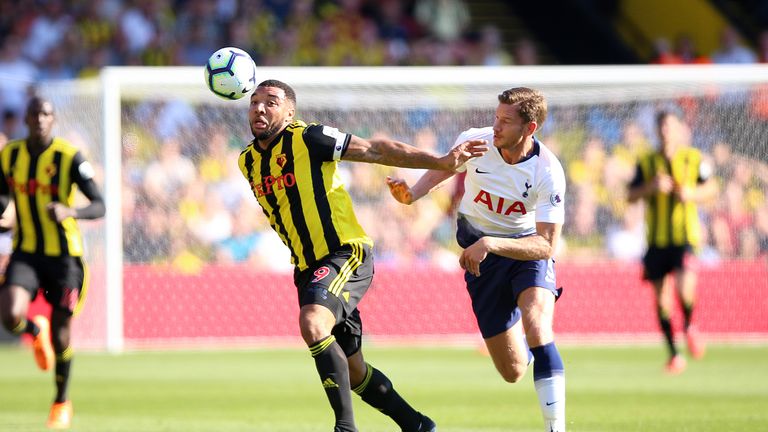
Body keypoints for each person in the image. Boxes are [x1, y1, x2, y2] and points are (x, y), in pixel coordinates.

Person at [238, 79, 487, 432]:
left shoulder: (307, 138)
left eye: (271, 102)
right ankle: (417, 424)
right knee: (354, 373)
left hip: (345, 252)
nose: (260, 108)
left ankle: (345, 427)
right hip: (308, 267)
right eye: (254, 102)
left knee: (313, 322)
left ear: (290, 111)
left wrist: (441, 161)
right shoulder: (247, 161)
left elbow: (375, 149)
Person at [387, 87, 567, 432]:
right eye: (495, 117)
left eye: (505, 121)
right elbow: (446, 168)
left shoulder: (548, 171)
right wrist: (412, 194)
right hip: (478, 257)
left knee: (538, 325)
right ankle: (529, 349)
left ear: (529, 129)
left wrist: (492, 242)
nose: (495, 127)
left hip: (523, 251)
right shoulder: (476, 141)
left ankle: (556, 427)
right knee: (513, 371)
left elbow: (546, 246)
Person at [0, 95, 106, 429]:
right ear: (26, 120)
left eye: (47, 114)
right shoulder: (10, 155)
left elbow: (100, 204)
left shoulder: (69, 157)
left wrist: (70, 211)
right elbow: (2, 191)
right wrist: (4, 210)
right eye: (35, 114)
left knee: (62, 334)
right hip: (27, 251)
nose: (41, 119)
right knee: (9, 314)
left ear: (53, 119)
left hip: (65, 257)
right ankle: (34, 330)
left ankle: (61, 401)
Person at [627, 109, 716, 374]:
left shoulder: (695, 158)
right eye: (662, 126)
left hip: (685, 237)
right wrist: (650, 188)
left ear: (679, 129)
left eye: (670, 126)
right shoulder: (646, 163)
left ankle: (690, 325)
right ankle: (675, 354)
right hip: (656, 240)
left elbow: (712, 188)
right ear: (657, 130)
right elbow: (630, 195)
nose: (666, 131)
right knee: (662, 300)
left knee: (684, 289)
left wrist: (691, 193)